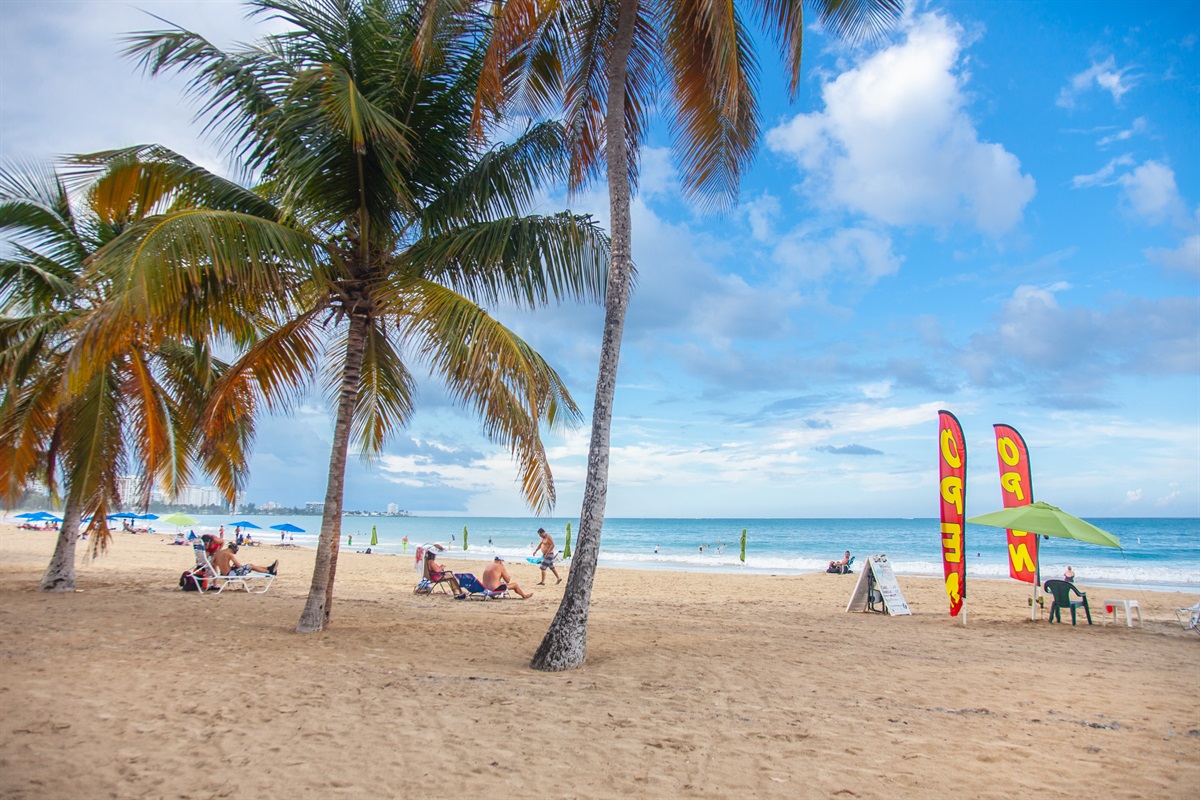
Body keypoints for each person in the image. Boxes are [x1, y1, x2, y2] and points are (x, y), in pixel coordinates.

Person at [211, 544, 278, 577]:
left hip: (223, 574)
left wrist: (224, 565)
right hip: (230, 574)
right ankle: (269, 572)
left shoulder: (217, 552)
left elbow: (212, 563)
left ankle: (269, 568)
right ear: (232, 550)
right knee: (250, 566)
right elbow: (239, 565)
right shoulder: (228, 554)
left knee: (251, 566)